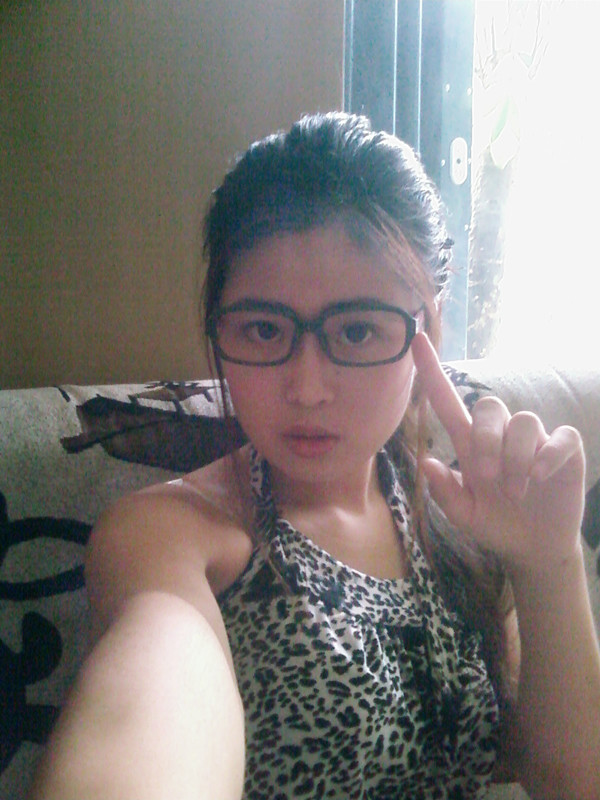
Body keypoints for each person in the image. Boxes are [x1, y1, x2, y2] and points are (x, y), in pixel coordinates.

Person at [30, 112, 600, 800]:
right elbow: (149, 712)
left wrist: (548, 563)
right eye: (264, 329)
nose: (305, 388)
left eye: (357, 331)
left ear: (430, 328)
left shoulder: (471, 517)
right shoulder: (171, 536)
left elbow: (570, 779)